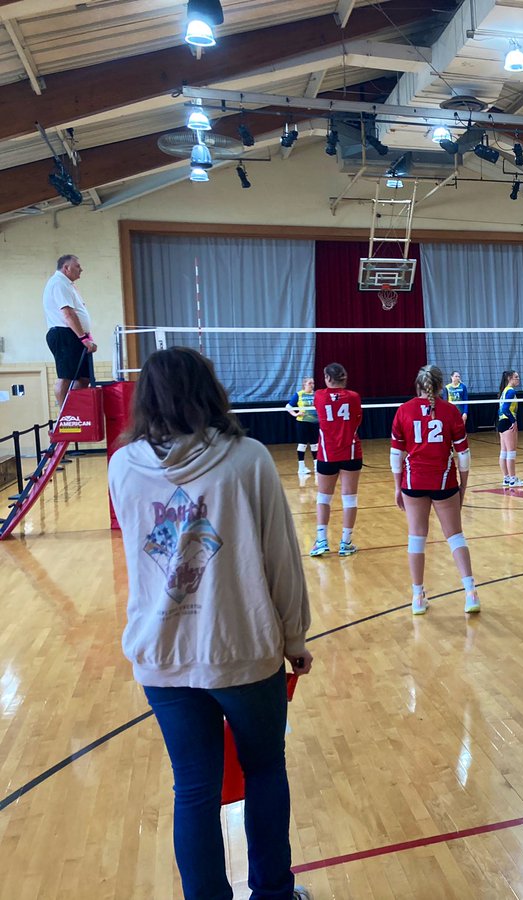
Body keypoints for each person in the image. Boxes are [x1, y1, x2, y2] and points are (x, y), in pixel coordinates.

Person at [108, 347, 313, 900]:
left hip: (162, 655)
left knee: (194, 789)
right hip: (241, 648)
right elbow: (281, 557)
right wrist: (295, 637)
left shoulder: (122, 465)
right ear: (209, 390)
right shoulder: (247, 458)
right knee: (265, 771)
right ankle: (273, 893)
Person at [391, 365, 480, 615]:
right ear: (441, 386)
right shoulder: (451, 411)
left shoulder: (403, 411)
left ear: (417, 385)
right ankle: (470, 592)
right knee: (455, 536)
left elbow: (396, 455)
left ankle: (418, 596)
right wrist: (463, 485)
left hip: (413, 482)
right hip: (444, 482)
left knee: (416, 537)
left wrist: (398, 487)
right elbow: (464, 455)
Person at [311, 362, 363, 557]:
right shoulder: (354, 397)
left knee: (324, 497)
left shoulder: (319, 396)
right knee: (349, 498)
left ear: (328, 379)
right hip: (351, 453)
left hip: (327, 454)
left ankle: (321, 540)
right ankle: (345, 542)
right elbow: (358, 420)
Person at [43, 254, 97, 408]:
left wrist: (88, 335)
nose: (81, 269)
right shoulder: (58, 283)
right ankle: (63, 416)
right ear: (66, 268)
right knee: (66, 377)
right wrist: (83, 338)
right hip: (64, 334)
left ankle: (73, 410)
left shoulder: (68, 285)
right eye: (77, 266)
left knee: (84, 378)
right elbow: (68, 314)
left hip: (75, 335)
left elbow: (80, 313)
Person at [496, 370, 523, 488]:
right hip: (508, 422)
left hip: (501, 422)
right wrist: (513, 421)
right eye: (516, 377)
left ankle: (506, 478)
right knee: (511, 452)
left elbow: (501, 410)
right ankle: (513, 479)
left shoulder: (504, 391)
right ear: (509, 378)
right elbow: (504, 409)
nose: (518, 379)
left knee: (504, 452)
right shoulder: (510, 391)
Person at [284, 377, 318, 476]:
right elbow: (288, 407)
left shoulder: (316, 394)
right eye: (309, 383)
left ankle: (316, 466)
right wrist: (295, 414)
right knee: (302, 444)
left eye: (313, 383)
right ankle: (301, 467)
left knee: (315, 445)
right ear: (304, 385)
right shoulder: (299, 394)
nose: (312, 385)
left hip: (315, 422)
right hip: (303, 422)